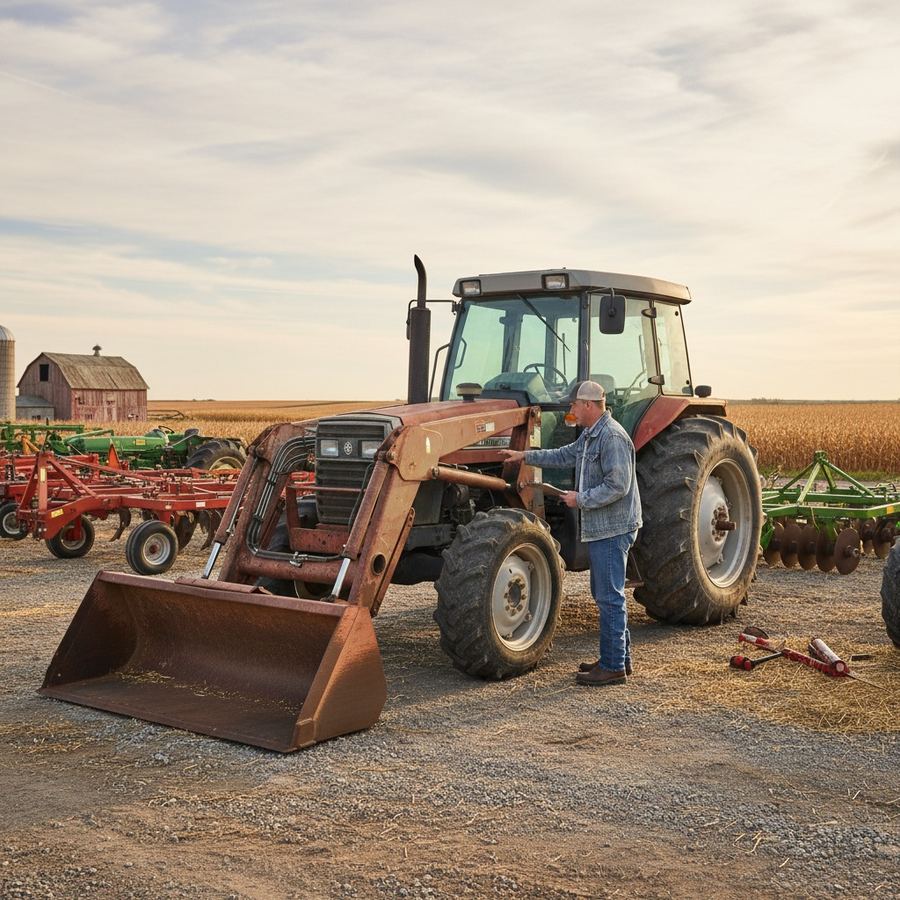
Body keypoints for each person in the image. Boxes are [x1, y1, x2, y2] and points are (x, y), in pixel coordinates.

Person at [500, 380, 642, 686]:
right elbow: (564, 455)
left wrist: (581, 499)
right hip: (604, 526)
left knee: (608, 597)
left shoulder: (613, 437)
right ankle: (618, 658)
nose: (571, 409)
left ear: (589, 405)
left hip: (612, 527)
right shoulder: (591, 435)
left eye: (574, 404)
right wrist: (525, 456)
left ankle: (613, 666)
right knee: (606, 594)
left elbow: (620, 485)